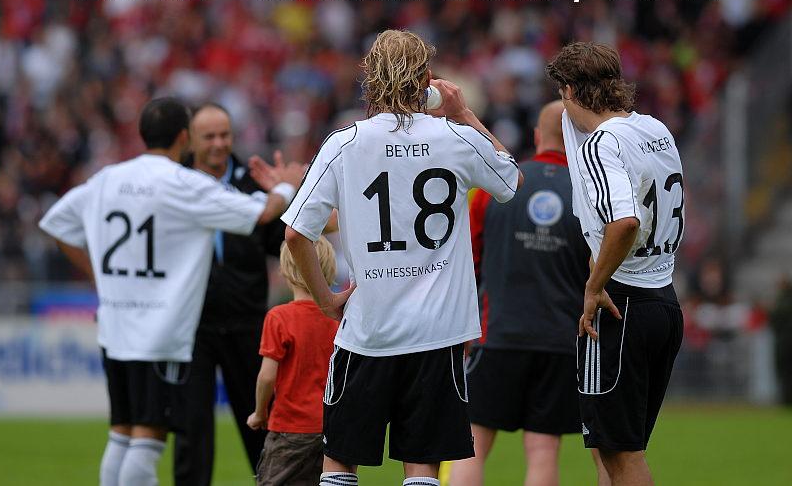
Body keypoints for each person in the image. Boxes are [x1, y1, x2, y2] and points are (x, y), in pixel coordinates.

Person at [281, 29, 524, 486]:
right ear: (426, 79)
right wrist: (465, 113)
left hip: (367, 331)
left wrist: (326, 300)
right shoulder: (454, 136)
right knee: (422, 465)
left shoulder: (345, 141)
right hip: (438, 331)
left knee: (340, 462)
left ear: (370, 77)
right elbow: (511, 180)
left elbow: (296, 234)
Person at [38, 97, 300, 486]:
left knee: (122, 432)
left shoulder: (108, 177)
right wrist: (287, 186)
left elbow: (56, 223)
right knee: (148, 438)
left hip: (116, 327)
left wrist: (100, 278)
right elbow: (260, 212)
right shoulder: (182, 182)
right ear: (184, 137)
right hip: (159, 330)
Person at [545, 42, 685, 486]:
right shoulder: (655, 128)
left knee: (620, 455)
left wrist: (593, 285)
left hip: (621, 305)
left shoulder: (600, 144)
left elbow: (624, 222)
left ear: (569, 91)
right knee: (621, 451)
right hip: (664, 299)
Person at [449, 100, 594, 486]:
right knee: (543, 449)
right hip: (560, 339)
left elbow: (468, 259)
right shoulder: (589, 193)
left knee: (473, 443)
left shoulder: (496, 186)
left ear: (536, 136)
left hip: (497, 333)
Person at [173, 103, 303, 486]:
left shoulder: (254, 182)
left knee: (261, 426)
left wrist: (295, 195)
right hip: (191, 327)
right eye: (209, 136)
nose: (218, 143)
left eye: (224, 135)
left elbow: (284, 241)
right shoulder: (174, 183)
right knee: (191, 432)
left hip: (247, 325)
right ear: (190, 140)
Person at [246, 237, 340, 485]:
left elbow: (267, 376)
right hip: (331, 428)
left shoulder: (279, 317)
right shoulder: (338, 318)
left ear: (286, 269)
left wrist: (260, 412)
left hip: (289, 427)